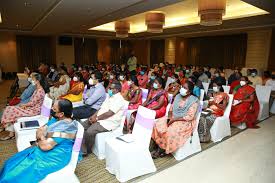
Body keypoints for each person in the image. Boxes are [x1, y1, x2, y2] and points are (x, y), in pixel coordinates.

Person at [0, 99, 79, 182]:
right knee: (10, 163)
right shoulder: (57, 119)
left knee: (15, 173)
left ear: (61, 114)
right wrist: (42, 137)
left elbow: (45, 146)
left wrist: (41, 137)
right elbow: (40, 130)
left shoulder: (65, 127)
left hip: (56, 155)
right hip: (46, 148)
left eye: (54, 109)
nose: (51, 109)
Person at [151, 81, 199, 158]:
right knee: (158, 124)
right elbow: (171, 108)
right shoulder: (178, 96)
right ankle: (158, 145)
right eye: (182, 87)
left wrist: (174, 120)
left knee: (170, 131)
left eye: (185, 88)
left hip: (185, 121)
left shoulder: (193, 101)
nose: (182, 89)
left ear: (189, 91)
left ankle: (162, 150)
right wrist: (169, 118)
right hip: (173, 117)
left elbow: (190, 116)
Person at [81, 81, 128, 155]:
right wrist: (94, 116)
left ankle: (86, 150)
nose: (108, 89)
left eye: (110, 88)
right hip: (99, 118)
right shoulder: (109, 96)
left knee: (90, 131)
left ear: (116, 90)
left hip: (108, 122)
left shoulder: (119, 100)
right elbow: (101, 108)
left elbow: (110, 113)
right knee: (82, 126)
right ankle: (81, 145)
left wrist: (96, 119)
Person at [0, 73, 49, 140]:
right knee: (11, 109)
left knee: (10, 109)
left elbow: (32, 103)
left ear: (37, 81)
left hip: (34, 110)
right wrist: (24, 105)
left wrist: (24, 105)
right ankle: (11, 132)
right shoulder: (38, 89)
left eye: (33, 79)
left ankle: (7, 129)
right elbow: (32, 102)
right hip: (32, 108)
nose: (31, 81)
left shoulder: (40, 91)